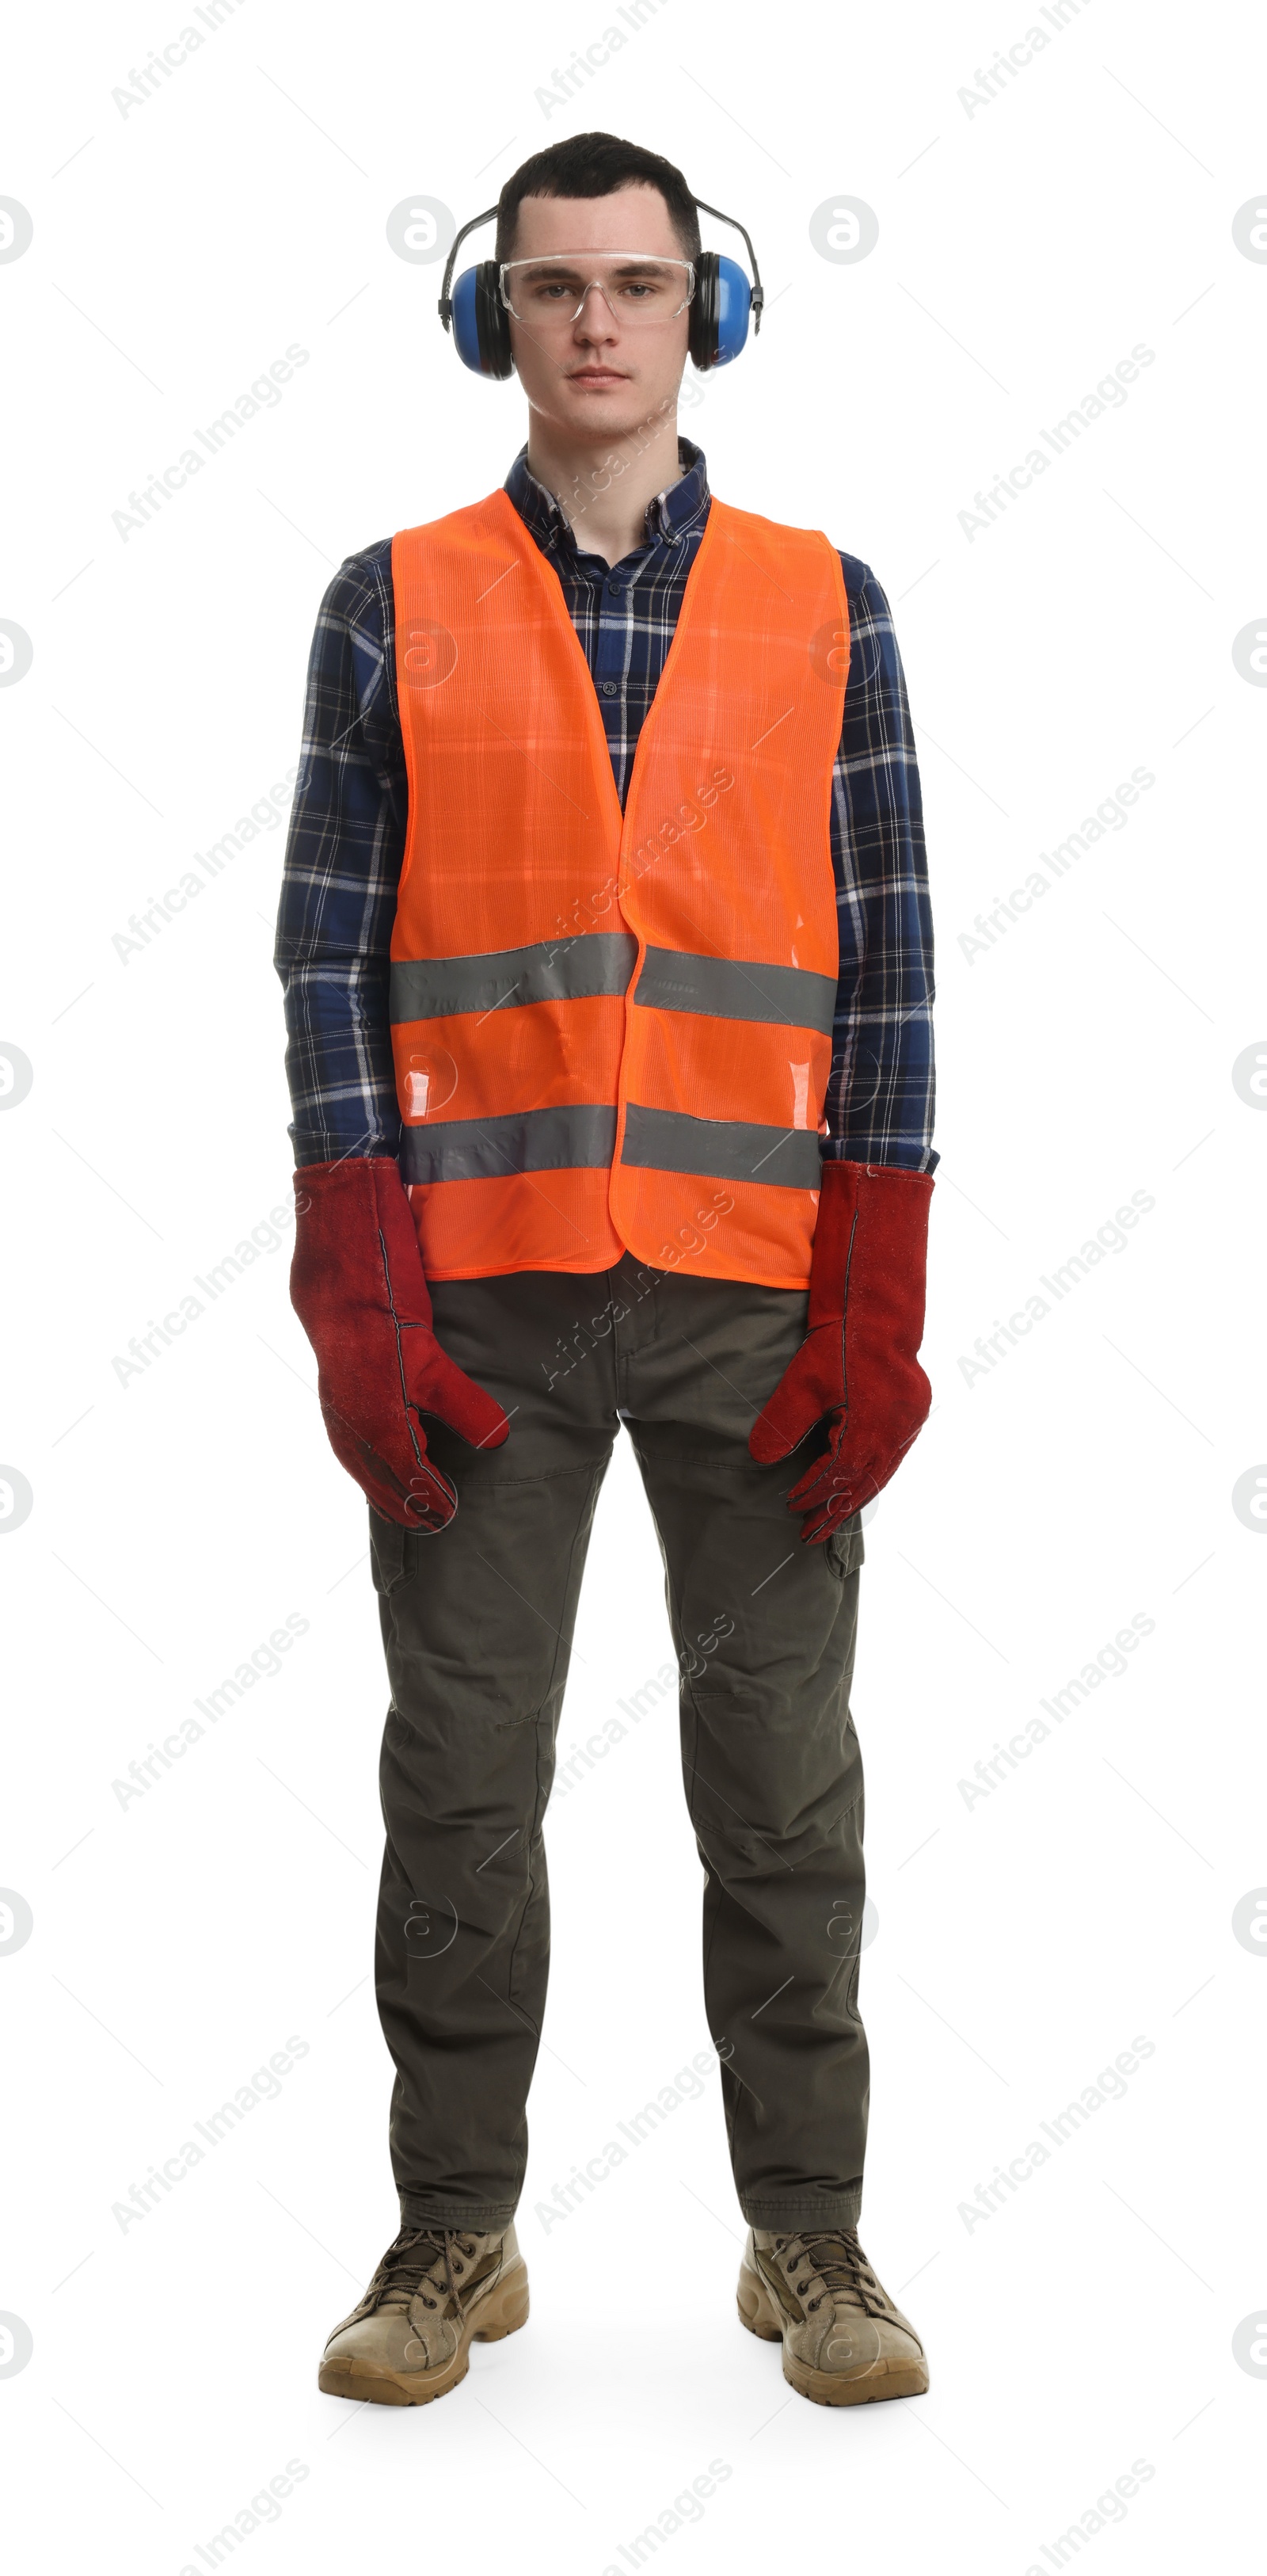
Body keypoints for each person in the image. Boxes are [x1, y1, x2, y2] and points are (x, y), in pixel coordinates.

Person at [274, 131, 937, 2412]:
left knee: (781, 1782)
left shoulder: (825, 606)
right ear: (496, 319)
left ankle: (814, 2244)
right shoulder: (394, 597)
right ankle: (452, 2231)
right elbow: (329, 959)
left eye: (637, 284)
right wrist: (356, 1279)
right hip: (481, 1304)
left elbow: (897, 968)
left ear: (703, 313)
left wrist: (880, 1287)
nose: (593, 324)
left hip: (760, 1293)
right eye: (552, 287)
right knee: (457, 1779)